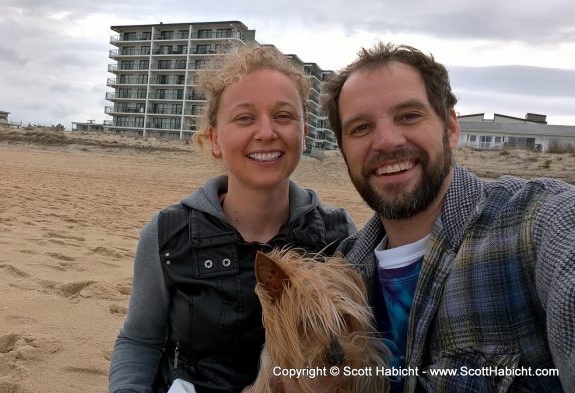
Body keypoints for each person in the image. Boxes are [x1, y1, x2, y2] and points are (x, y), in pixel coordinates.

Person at [322, 42, 574, 393]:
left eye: (409, 116)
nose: (386, 141)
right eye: (361, 128)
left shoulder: (539, 223)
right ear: (344, 149)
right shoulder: (340, 275)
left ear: (451, 128)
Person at [108, 44, 357, 393]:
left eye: (284, 116)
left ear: (303, 133)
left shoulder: (338, 235)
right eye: (244, 118)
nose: (266, 132)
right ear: (214, 139)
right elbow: (140, 340)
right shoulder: (169, 233)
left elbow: (358, 347)